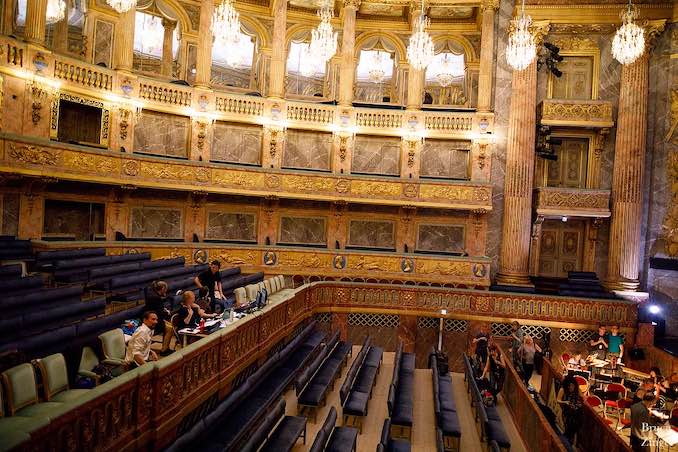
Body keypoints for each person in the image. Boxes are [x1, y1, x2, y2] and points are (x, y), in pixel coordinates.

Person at [144, 280, 174, 355]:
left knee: (170, 325)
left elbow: (158, 309)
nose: (166, 291)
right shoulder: (156, 298)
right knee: (169, 329)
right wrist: (167, 313)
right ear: (163, 288)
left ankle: (165, 348)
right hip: (153, 321)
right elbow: (159, 313)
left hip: (154, 318)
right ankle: (164, 350)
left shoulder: (153, 295)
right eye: (165, 289)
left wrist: (164, 311)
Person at [556, 376, 583, 444]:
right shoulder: (563, 390)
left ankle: (567, 441)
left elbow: (582, 397)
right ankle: (566, 442)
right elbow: (558, 400)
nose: (571, 387)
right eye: (569, 386)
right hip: (567, 411)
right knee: (568, 427)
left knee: (574, 427)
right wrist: (565, 402)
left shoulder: (577, 390)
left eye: (572, 385)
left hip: (577, 411)